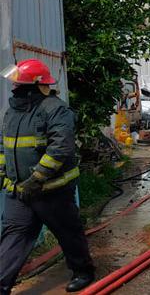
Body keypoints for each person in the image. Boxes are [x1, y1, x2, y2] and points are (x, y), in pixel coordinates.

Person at [0, 59, 95, 294]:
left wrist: (36, 179)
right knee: (13, 238)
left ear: (34, 85)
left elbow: (60, 148)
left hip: (52, 191)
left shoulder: (55, 109)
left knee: (68, 232)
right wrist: (3, 174)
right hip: (19, 192)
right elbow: (4, 148)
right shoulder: (12, 112)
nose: (14, 87)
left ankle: (83, 272)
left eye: (19, 83)